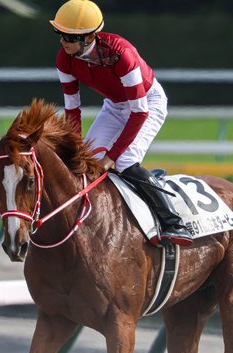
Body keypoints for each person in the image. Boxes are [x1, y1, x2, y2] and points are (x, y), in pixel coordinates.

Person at [49, 0, 193, 247]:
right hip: (115, 106)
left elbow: (139, 112)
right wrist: (74, 147)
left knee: (125, 160)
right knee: (87, 161)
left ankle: (173, 222)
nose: (63, 41)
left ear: (89, 37)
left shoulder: (121, 55)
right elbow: (72, 109)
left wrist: (111, 156)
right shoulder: (65, 58)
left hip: (147, 104)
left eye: (70, 37)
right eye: (60, 34)